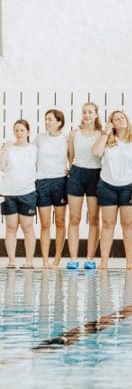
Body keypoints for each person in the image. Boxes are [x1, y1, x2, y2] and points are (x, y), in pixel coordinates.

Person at [92, 110, 132, 270]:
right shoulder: (107, 140)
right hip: (107, 186)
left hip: (129, 186)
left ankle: (129, 262)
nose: (120, 120)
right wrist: (105, 133)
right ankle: (104, 262)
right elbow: (96, 153)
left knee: (128, 224)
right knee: (108, 223)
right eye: (116, 119)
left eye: (122, 117)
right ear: (112, 123)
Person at [67, 102, 103, 270]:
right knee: (74, 218)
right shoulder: (74, 134)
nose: (87, 115)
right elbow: (71, 157)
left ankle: (90, 258)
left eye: (90, 112)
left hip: (95, 175)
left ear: (96, 114)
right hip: (77, 174)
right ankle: (73, 258)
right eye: (84, 112)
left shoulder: (101, 134)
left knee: (94, 219)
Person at [1, 120, 38, 269]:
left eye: (22, 130)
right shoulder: (8, 149)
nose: (19, 133)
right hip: (9, 193)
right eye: (16, 130)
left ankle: (29, 261)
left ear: (28, 132)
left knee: (27, 227)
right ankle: (11, 261)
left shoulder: (34, 148)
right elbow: (1, 167)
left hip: (28, 192)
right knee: (11, 227)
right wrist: (4, 150)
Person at [34, 109, 69, 269]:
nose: (47, 122)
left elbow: (73, 157)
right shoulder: (40, 138)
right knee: (45, 224)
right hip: (42, 182)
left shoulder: (66, 138)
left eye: (50, 119)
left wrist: (71, 169)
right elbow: (28, 156)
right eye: (45, 119)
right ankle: (44, 260)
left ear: (59, 122)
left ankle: (57, 258)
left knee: (60, 222)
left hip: (60, 182)